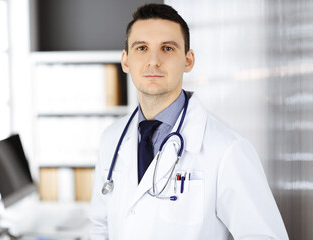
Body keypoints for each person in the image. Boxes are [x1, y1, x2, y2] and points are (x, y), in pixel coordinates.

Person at [89, 3, 288, 240]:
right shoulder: (112, 138)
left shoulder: (227, 148)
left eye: (167, 48)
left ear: (188, 60)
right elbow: (99, 227)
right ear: (125, 61)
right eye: (141, 48)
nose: (153, 61)